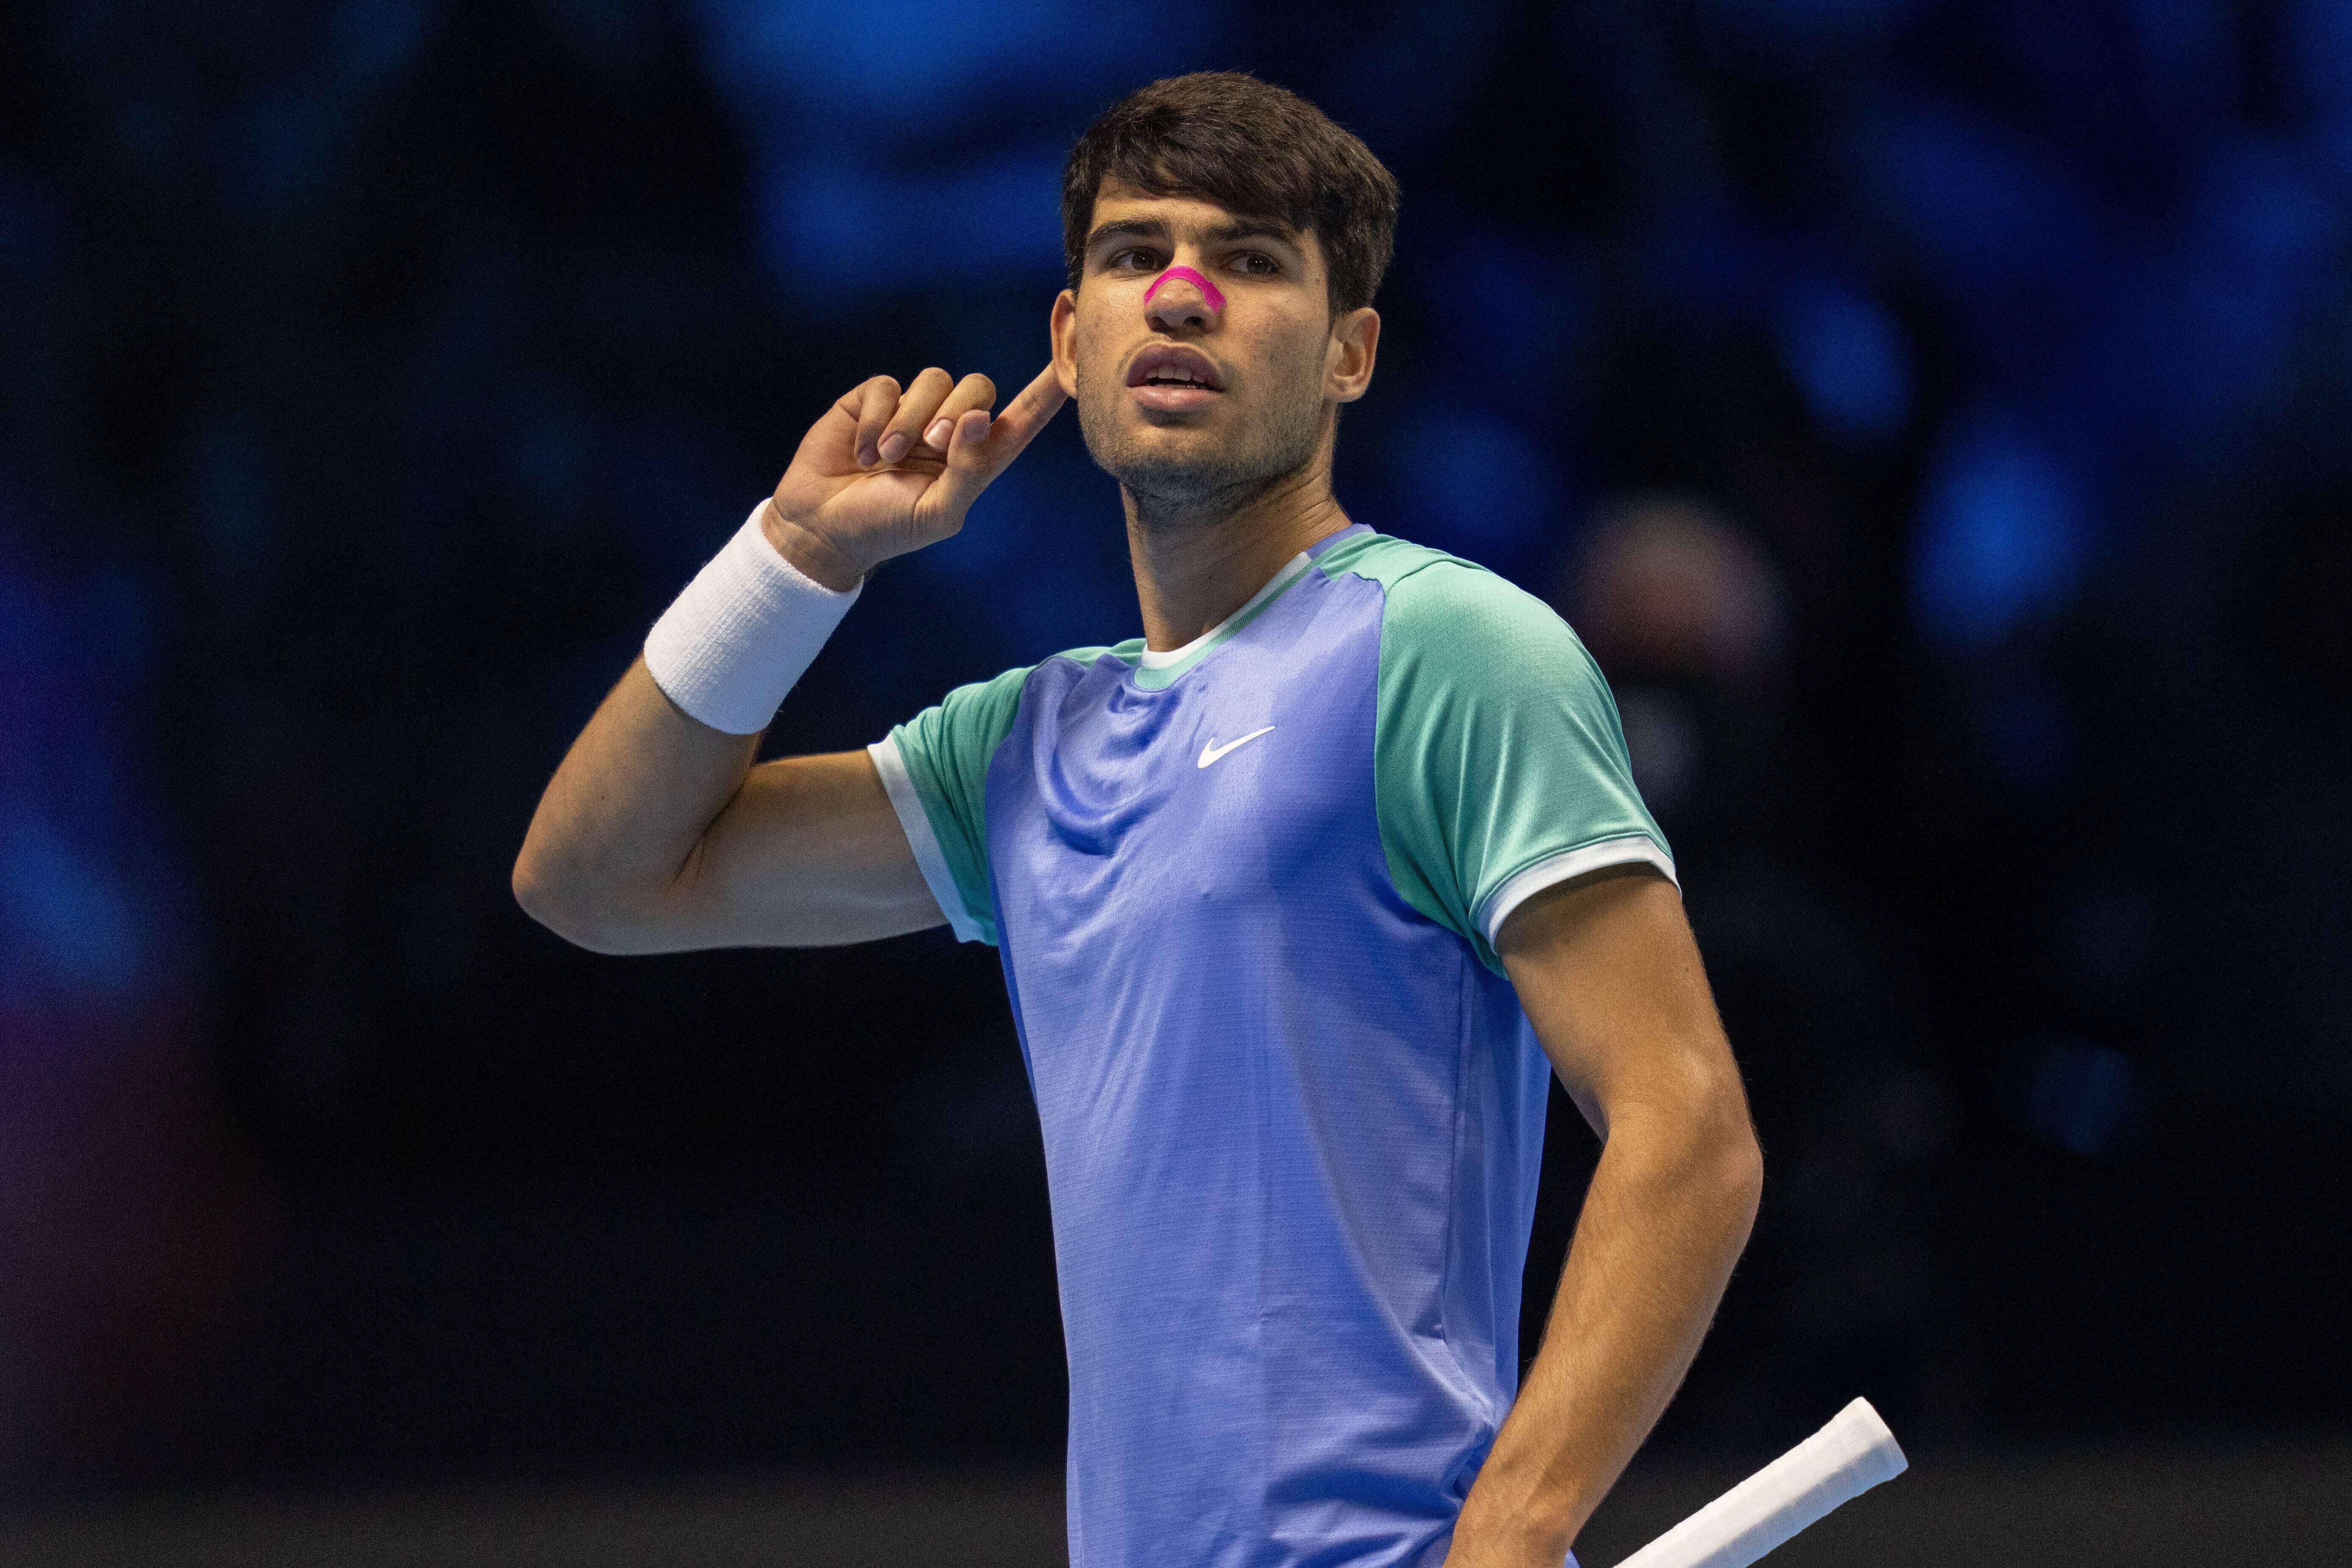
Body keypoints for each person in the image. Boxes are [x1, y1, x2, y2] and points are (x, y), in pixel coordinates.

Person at [514, 71, 1761, 1568]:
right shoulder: (1028, 742)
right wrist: (795, 560)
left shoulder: (1450, 648)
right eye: (1132, 255)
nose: (1179, 296)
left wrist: (1512, 1529)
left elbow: (1686, 1126)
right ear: (1068, 335)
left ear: (1350, 353)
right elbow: (595, 879)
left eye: (1249, 260)